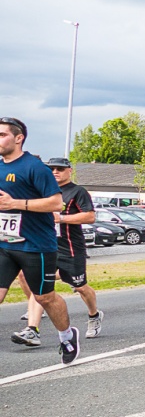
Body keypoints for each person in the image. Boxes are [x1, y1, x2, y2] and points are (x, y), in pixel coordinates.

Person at [0, 118, 80, 364]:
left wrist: (15, 204)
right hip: (5, 244)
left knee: (45, 297)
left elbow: (57, 203)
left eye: (2, 135)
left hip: (36, 247)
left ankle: (67, 336)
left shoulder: (35, 168)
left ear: (18, 138)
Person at [12, 157, 105, 347]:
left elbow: (90, 216)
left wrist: (61, 218)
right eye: (52, 169)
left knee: (80, 286)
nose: (55, 172)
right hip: (44, 246)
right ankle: (32, 329)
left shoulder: (77, 192)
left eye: (60, 169)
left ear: (69, 170)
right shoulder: (41, 190)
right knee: (37, 286)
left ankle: (94, 314)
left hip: (70, 247)